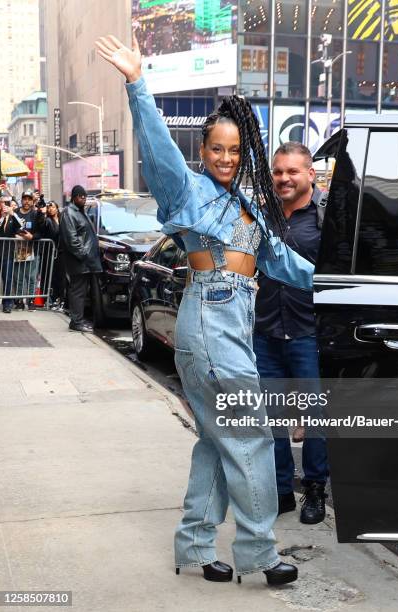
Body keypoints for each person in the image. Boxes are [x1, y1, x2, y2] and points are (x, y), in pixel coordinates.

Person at [95, 33, 314, 586]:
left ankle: (194, 547)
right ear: (203, 151)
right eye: (216, 148)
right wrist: (139, 85)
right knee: (253, 438)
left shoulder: (251, 205)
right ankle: (260, 554)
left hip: (229, 328)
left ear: (249, 155)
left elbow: (284, 264)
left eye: (236, 150)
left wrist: (341, 284)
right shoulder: (185, 190)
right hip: (210, 323)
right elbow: (159, 147)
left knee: (218, 442)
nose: (225, 158)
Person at [254, 142, 329, 524]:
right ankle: (282, 491)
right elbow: (236, 257)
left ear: (310, 174)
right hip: (265, 331)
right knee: (272, 417)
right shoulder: (259, 216)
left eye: (292, 171)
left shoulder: (327, 218)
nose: (283, 178)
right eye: (278, 171)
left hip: (309, 334)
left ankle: (314, 489)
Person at [59, 185, 101, 332]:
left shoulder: (80, 211)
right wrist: (84, 254)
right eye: (80, 196)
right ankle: (76, 322)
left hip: (86, 261)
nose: (83, 198)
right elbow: (71, 239)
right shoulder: (69, 213)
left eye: (84, 196)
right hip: (79, 261)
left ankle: (78, 320)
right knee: (78, 291)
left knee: (83, 292)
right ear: (74, 197)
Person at [12, 190, 45, 310]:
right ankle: (19, 301)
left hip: (32, 251)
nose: (26, 201)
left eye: (29, 199)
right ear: (21, 200)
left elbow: (41, 232)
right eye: (24, 199)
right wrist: (14, 235)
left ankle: (30, 301)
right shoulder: (15, 213)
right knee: (18, 277)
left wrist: (32, 237)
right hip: (17, 251)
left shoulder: (36, 214)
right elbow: (10, 228)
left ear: (32, 201)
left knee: (31, 277)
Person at [0, 192, 22, 313]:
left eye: (8, 202)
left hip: (8, 252)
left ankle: (7, 303)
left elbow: (21, 226)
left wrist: (13, 214)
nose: (5, 205)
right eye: (3, 202)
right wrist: (2, 217)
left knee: (7, 278)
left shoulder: (13, 217)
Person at [42, 201, 65, 309]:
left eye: (52, 207)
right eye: (49, 207)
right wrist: (42, 214)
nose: (50, 209)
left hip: (61, 253)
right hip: (50, 253)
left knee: (61, 277)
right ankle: (52, 299)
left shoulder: (62, 219)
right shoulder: (47, 221)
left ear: (57, 208)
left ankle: (61, 299)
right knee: (52, 277)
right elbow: (43, 227)